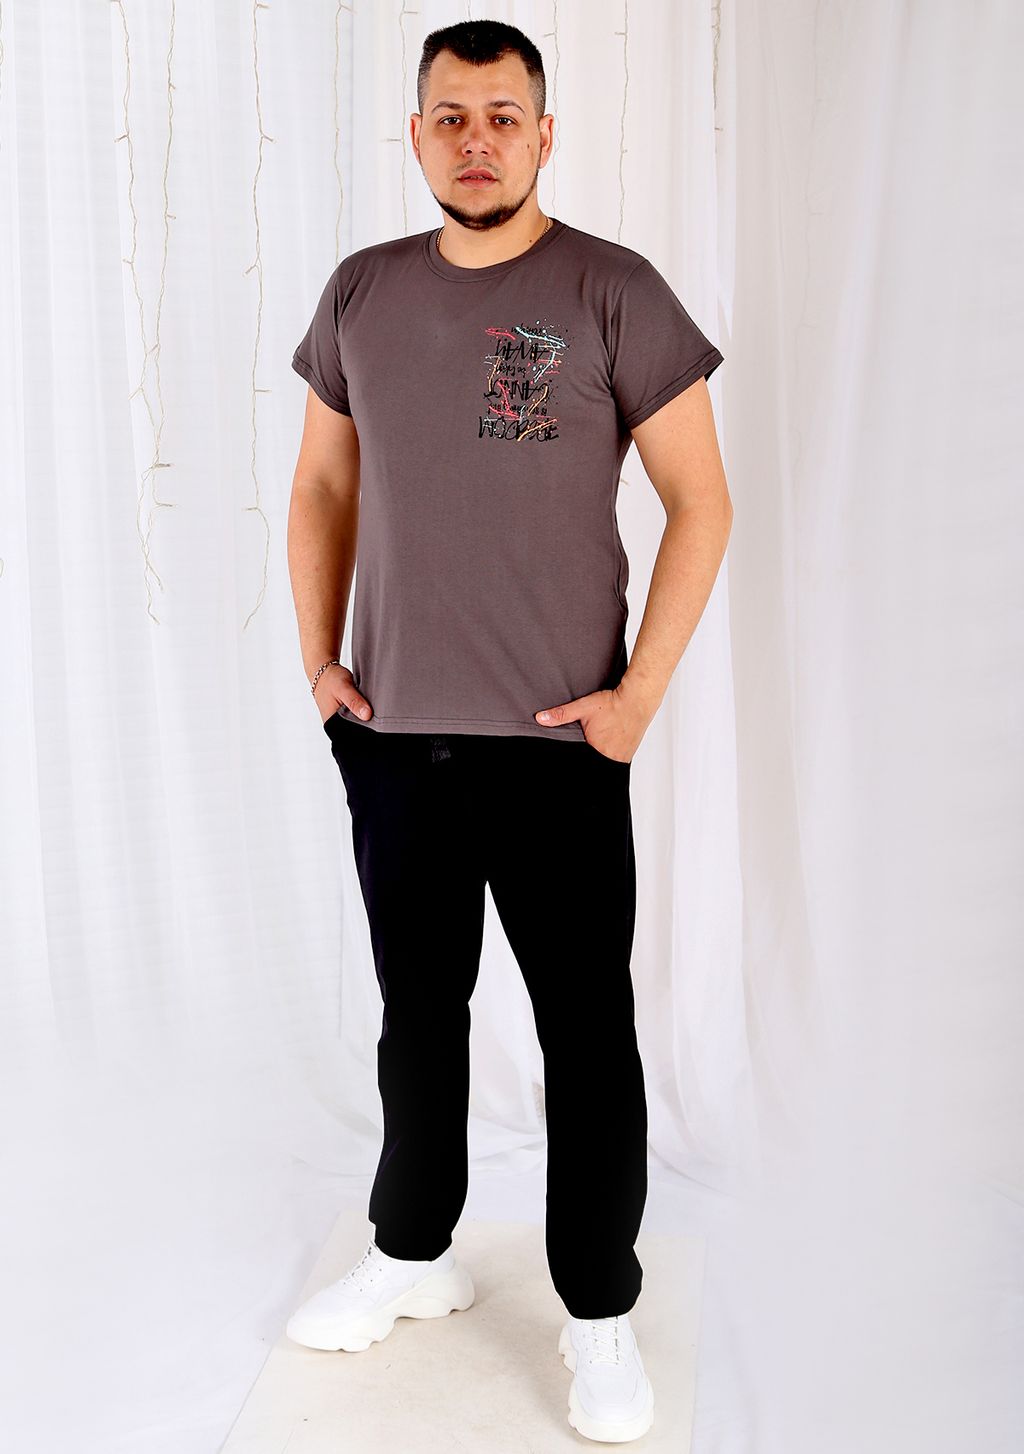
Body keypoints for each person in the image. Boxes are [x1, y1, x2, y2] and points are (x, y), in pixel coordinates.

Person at [284, 18, 730, 1445]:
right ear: (414, 134)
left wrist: (636, 700)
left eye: (501, 116)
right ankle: (412, 1252)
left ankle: (598, 1311)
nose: (475, 140)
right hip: (395, 735)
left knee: (585, 1033)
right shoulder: (362, 292)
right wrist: (321, 662)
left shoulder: (612, 289)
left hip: (557, 746)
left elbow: (703, 501)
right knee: (418, 1017)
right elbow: (323, 488)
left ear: (545, 134)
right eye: (450, 116)